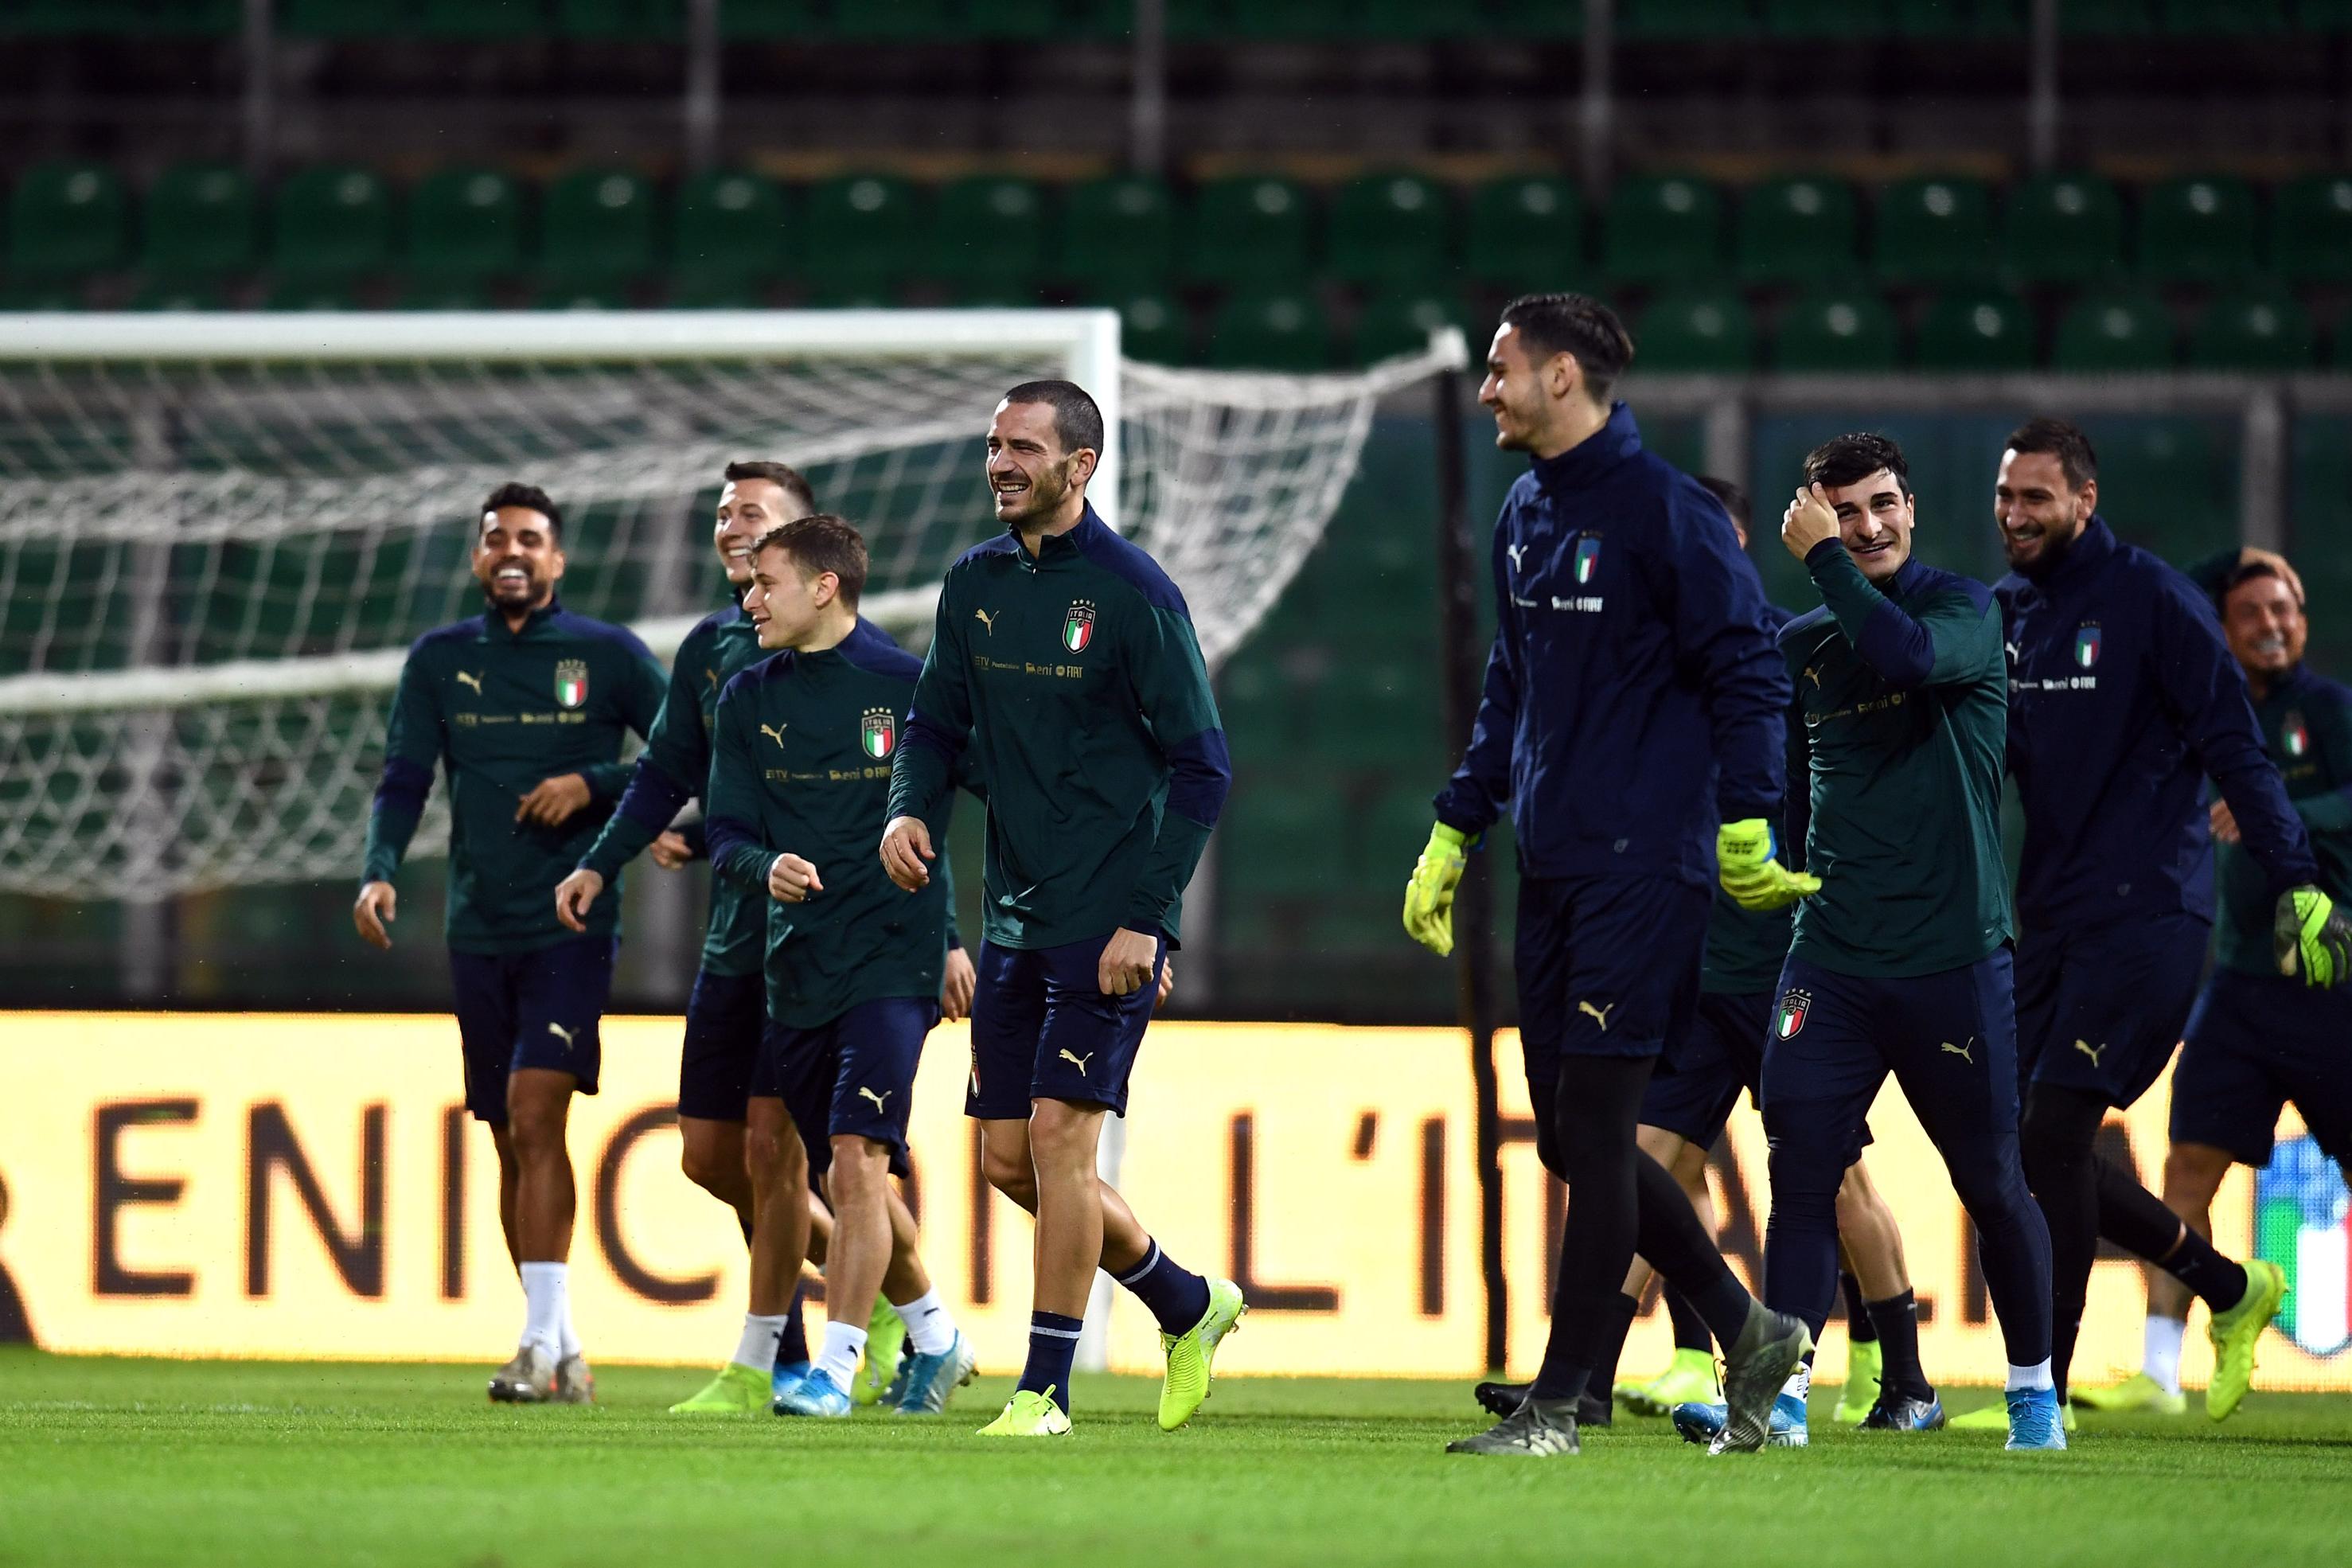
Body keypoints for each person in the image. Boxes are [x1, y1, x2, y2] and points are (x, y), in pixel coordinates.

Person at [1403, 294, 1812, 1459]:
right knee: (1571, 1140)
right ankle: (1749, 1328)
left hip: (1646, 867)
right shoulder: (1525, 510)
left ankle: (1559, 1402)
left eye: (1502, 369)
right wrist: (1456, 826)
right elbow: (1511, 684)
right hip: (1554, 864)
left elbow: (1750, 672)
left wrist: (1747, 820)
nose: (1487, 389)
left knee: (1595, 1126)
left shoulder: (1669, 514)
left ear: (1562, 377)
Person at [881, 379, 1239, 1438]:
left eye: (1023, 448)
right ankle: (1187, 1300)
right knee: (1008, 1161)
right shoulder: (972, 582)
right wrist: (907, 807)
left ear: (1080, 466)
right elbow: (932, 724)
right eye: (994, 444)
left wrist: (1150, 918)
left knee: (1057, 1147)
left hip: (1107, 918)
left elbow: (1204, 767)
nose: (1000, 463)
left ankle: (1045, 1391)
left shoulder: (1134, 594)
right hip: (1015, 915)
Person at [1980, 418, 2342, 1427]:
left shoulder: (2155, 600)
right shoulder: (2007, 611)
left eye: (2036, 497)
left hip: (2149, 911)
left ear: (2085, 500)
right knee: (2023, 1149)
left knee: (2052, 1132)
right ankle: (2229, 1286)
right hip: (2047, 916)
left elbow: (2236, 747)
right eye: (2006, 496)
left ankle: (2039, 1394)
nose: (2016, 515)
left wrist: (2296, 875)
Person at [1571, 478, 1927, 1436]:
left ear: (1728, 546)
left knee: (1834, 1179)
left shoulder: (1797, 651)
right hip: (1689, 964)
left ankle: (1902, 1379)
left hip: (1785, 966)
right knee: (1644, 1164)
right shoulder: (1646, 663)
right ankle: (1586, 1381)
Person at [554, 462, 892, 1407]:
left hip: (821, 949)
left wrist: (944, 935)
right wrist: (602, 860)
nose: (730, 526)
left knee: (797, 1152)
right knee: (711, 1155)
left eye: (751, 512)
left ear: (803, 543)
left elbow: (886, 810)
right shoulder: (712, 647)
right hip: (734, 937)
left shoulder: (869, 668)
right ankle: (902, 1295)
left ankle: (779, 1358)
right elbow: (672, 775)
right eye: (720, 513)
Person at [1753, 434, 2063, 1451]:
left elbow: (1906, 659)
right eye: (1843, 511)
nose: (1868, 525)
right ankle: (1781, 1398)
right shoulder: (1803, 646)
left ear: (1913, 507)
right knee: (1802, 1176)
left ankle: (2034, 1398)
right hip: (1833, 960)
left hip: (1953, 957)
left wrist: (1822, 558)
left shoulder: (1963, 610)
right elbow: (1798, 793)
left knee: (1992, 1183)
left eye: (1882, 503)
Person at [354, 482, 665, 1403]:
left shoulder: (607, 654)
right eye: (496, 538)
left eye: (530, 538)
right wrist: (378, 868)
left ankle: (533, 1346)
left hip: (571, 922)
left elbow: (690, 751)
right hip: (477, 925)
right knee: (506, 1136)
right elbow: (404, 774)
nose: (512, 551)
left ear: (557, 559)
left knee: (535, 1116)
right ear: (478, 558)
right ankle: (560, 1347)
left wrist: (592, 782)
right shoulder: (441, 658)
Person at [672, 514, 980, 1419]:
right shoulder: (746, 696)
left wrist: (951, 936)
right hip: (795, 968)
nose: (749, 599)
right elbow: (726, 829)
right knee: (837, 1173)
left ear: (824, 587)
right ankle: (934, 1334)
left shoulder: (909, 686)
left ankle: (834, 1372)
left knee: (855, 1158)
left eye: (765, 583)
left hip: (892, 960)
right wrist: (762, 865)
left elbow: (957, 813)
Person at [2081, 552, 2352, 1418]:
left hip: (2333, 982)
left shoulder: (2328, 710)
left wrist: (2279, 807)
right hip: (2238, 986)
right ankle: (2161, 1373)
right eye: (2252, 611)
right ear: (2222, 630)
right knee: (2187, 1168)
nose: (2273, 624)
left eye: (2285, 608)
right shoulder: (2208, 710)